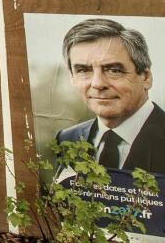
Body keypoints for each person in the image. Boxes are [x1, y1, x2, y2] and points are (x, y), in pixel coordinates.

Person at [55, 18, 165, 174]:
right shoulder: (66, 139)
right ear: (72, 77)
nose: (97, 84)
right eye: (83, 70)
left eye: (114, 70)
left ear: (146, 78)